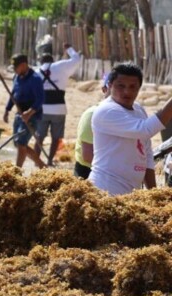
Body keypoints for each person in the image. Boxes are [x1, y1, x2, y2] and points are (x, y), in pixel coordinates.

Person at [90, 62, 172, 196]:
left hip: (131, 194)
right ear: (110, 85)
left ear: (139, 88)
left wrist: (153, 194)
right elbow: (145, 130)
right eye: (121, 86)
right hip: (105, 191)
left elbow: (146, 153)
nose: (127, 92)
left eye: (133, 87)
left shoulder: (138, 110)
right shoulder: (106, 111)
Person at [34, 46, 82, 166]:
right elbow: (77, 59)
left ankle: (36, 161)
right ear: (52, 61)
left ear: (41, 62)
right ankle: (50, 160)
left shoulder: (36, 71)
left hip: (42, 109)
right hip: (59, 109)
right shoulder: (60, 66)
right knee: (55, 138)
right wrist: (69, 49)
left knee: (39, 136)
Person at [3, 53, 46, 170]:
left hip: (32, 116)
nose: (14, 70)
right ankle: (42, 165)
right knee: (18, 144)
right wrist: (7, 110)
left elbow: (40, 99)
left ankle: (17, 171)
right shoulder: (17, 77)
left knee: (21, 143)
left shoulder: (35, 79)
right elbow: (13, 94)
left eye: (16, 67)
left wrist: (29, 113)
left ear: (23, 65)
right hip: (19, 114)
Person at [74, 76, 110, 180]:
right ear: (104, 90)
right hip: (89, 172)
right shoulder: (92, 115)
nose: (123, 93)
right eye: (116, 88)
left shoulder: (130, 116)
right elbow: (88, 156)